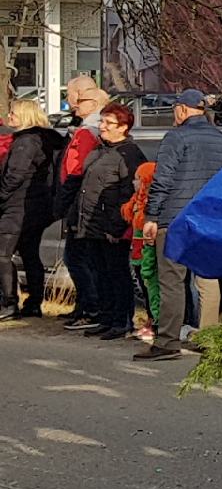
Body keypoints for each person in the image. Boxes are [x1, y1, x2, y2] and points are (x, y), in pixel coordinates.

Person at [136, 90, 222, 360]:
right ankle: (209, 337)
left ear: (181, 109)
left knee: (171, 279)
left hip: (176, 218)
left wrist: (151, 217)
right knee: (208, 278)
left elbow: (163, 179)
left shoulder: (176, 137)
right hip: (209, 219)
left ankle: (167, 342)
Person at [65, 103, 143, 340]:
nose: (102, 127)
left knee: (117, 274)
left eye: (109, 123)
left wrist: (117, 226)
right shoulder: (100, 150)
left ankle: (122, 320)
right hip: (91, 224)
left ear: (123, 127)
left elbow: (129, 193)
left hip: (112, 226)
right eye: (102, 122)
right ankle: (107, 317)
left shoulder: (128, 154)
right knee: (100, 273)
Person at [52, 74, 107, 323]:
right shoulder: (91, 129)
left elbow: (75, 171)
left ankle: (90, 307)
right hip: (85, 201)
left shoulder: (88, 132)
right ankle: (86, 306)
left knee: (76, 258)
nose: (71, 102)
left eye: (75, 97)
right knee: (83, 257)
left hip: (81, 202)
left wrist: (63, 201)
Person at [0, 100, 60, 320]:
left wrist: (2, 197)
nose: (9, 118)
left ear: (25, 116)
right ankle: (34, 302)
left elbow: (14, 176)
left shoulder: (26, 142)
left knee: (3, 254)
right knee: (29, 254)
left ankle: (9, 303)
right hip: (35, 206)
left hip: (18, 206)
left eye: (14, 114)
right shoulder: (43, 140)